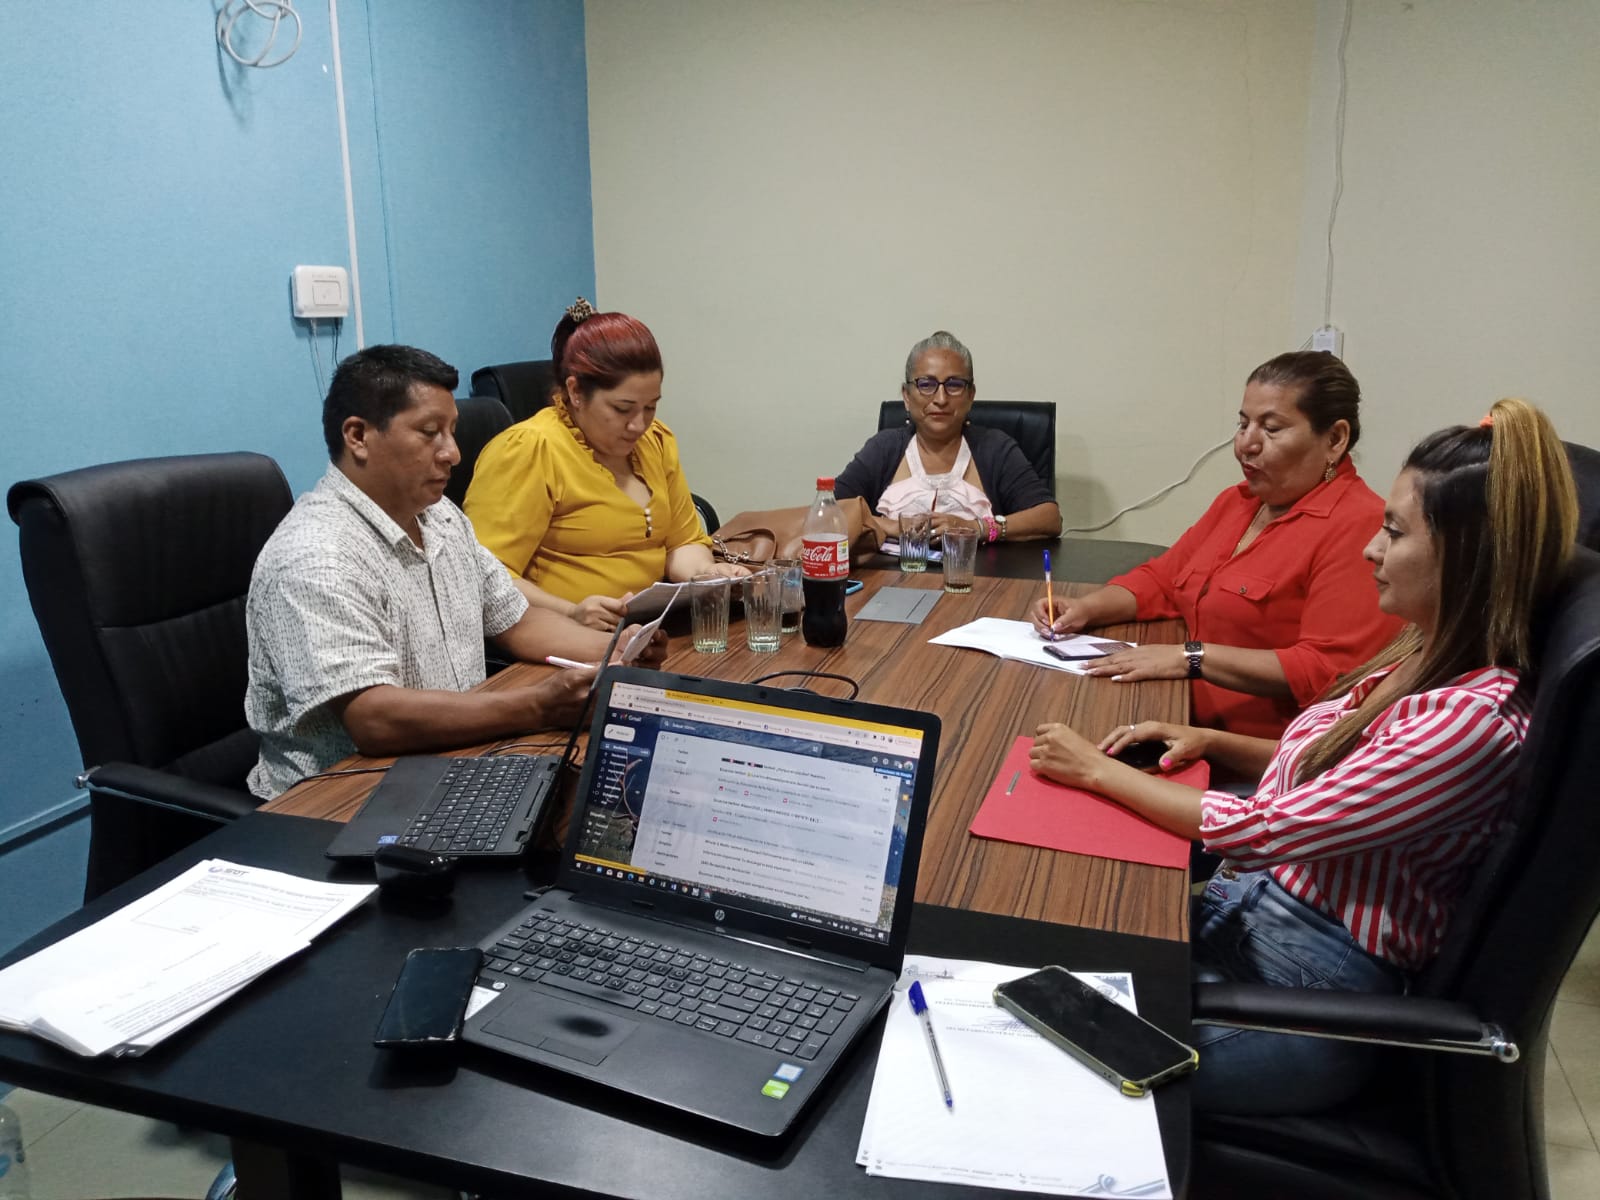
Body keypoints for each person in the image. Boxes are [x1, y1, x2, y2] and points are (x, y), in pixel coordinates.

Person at [1028, 397, 1579, 1113]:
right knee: (1037, 965)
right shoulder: (1423, 650)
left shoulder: (1468, 720)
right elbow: (1337, 769)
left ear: (1469, 557)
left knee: (1058, 1069)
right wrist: (1213, 742)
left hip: (1310, 993)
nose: (1371, 551)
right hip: (1251, 921)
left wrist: (1094, 770)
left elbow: (1260, 830)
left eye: (1394, 533)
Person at [245, 344, 664, 800]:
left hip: (450, 761)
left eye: (452, 431)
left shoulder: (439, 516)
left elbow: (517, 619)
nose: (453, 453)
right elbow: (374, 719)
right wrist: (538, 706)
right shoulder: (316, 556)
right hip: (336, 801)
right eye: (430, 433)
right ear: (358, 436)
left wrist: (617, 650)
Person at [1031, 351, 1404, 740]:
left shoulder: (1360, 527)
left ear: (1335, 439)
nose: (1246, 444)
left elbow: (1328, 671)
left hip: (1259, 750)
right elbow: (1163, 578)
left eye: (1271, 429)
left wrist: (1190, 658)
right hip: (1177, 710)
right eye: (1243, 424)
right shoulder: (1238, 502)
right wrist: (1087, 608)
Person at [464, 299, 746, 631]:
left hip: (649, 628)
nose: (639, 424)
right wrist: (571, 612)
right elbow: (485, 575)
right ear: (575, 391)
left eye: (650, 407)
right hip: (565, 634)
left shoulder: (655, 442)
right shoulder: (530, 450)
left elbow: (682, 541)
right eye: (622, 409)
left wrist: (706, 573)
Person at [834, 330, 1062, 543]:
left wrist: (977, 527)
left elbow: (1049, 518)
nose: (941, 399)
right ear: (907, 396)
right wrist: (893, 526)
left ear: (970, 395)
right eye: (926, 384)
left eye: (954, 385)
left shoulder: (995, 448)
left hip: (978, 572)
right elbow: (829, 513)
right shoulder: (884, 448)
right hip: (890, 572)